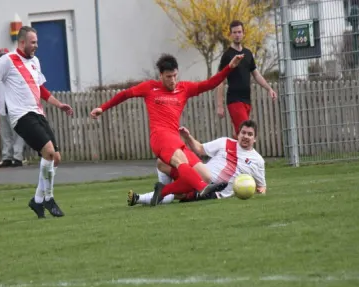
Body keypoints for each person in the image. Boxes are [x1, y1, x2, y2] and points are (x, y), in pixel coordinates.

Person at [90, 53, 244, 206]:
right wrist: (102, 108)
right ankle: (203, 189)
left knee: (205, 176)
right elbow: (125, 94)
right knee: (186, 167)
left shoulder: (184, 88)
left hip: (175, 138)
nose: (173, 80)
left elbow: (209, 84)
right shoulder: (149, 87)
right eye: (169, 77)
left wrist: (229, 68)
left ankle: (163, 191)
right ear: (161, 75)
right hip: (160, 136)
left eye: (175, 76)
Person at [0, 26, 74, 218]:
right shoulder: (7, 60)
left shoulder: (35, 61)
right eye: (33, 42)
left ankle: (37, 200)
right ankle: (48, 198)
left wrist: (59, 105)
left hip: (37, 113)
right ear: (22, 42)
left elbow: (41, 89)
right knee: (49, 152)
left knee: (55, 158)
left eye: (37, 42)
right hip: (20, 116)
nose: (36, 46)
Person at [128, 120, 266, 206]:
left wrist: (249, 190)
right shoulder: (225, 142)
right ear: (238, 134)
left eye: (250, 134)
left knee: (179, 193)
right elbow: (199, 149)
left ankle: (139, 198)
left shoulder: (257, 160)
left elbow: (262, 187)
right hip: (197, 174)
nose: (246, 137)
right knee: (162, 162)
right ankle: (164, 189)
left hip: (213, 191)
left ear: (255, 139)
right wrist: (188, 137)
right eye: (243, 133)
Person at [215, 20, 277, 138]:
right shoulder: (227, 55)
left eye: (239, 32)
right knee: (246, 132)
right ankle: (248, 156)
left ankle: (232, 155)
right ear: (230, 35)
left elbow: (256, 74)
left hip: (247, 100)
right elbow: (220, 81)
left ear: (243, 33)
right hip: (234, 100)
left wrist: (269, 89)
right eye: (234, 32)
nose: (237, 34)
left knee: (238, 133)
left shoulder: (248, 53)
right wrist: (219, 105)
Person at [0, 48, 25, 168]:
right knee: (5, 134)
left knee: (17, 134)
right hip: (3, 108)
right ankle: (6, 157)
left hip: (15, 108)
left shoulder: (15, 71)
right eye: (0, 56)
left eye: (4, 56)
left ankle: (17, 157)